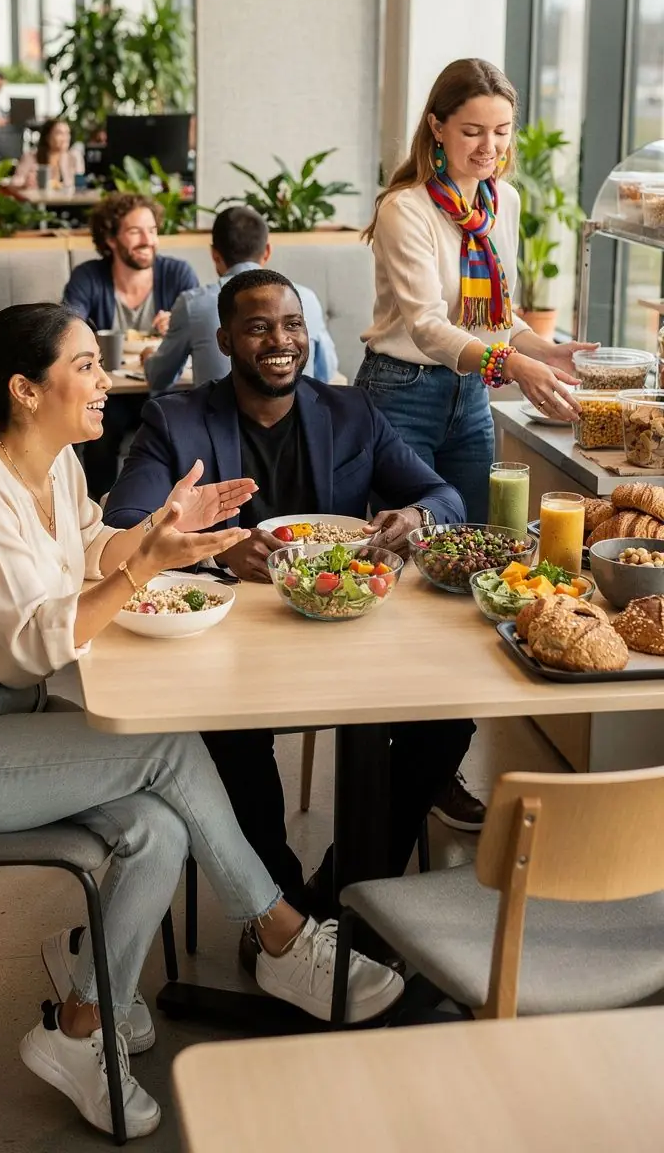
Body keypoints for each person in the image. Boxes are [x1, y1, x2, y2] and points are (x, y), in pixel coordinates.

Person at [0, 303, 401, 1139]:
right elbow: (43, 636)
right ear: (23, 389)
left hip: (9, 721)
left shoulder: (56, 469)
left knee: (160, 828)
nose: (104, 379)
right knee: (164, 749)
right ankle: (280, 935)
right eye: (84, 365)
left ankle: (84, 1020)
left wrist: (162, 528)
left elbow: (92, 553)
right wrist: (146, 563)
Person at [104, 268, 474, 929]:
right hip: (229, 647)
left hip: (340, 631)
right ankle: (281, 910)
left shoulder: (351, 411)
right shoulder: (176, 418)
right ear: (224, 339)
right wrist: (214, 542)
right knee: (232, 737)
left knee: (447, 721)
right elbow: (125, 522)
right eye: (258, 327)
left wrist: (413, 518)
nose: (280, 340)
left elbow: (444, 496)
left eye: (292, 324)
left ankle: (341, 891)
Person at [355, 57, 594, 833]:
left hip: (467, 400)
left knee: (477, 573)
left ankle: (433, 762)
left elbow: (498, 317)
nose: (490, 148)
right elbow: (426, 325)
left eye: (501, 132)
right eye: (472, 132)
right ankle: (383, 757)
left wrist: (547, 351)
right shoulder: (406, 209)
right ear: (436, 128)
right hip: (402, 395)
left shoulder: (504, 202)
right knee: (398, 574)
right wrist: (512, 362)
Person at [62, 193, 199, 499]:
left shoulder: (178, 274)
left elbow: (200, 330)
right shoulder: (89, 277)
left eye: (152, 230)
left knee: (179, 423)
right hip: (110, 389)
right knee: (99, 426)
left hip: (167, 385)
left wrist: (177, 326)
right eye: (135, 231)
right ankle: (98, 513)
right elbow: (68, 326)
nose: (147, 240)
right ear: (111, 238)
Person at [142, 206, 339, 393]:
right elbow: (325, 373)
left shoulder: (193, 304)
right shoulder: (306, 298)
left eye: (293, 324)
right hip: (299, 423)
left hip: (218, 425)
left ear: (215, 255)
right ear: (267, 251)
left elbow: (159, 378)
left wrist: (149, 357)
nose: (279, 340)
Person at [12, 117, 85, 193]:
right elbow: (15, 181)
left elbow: (79, 185)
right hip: (38, 201)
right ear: (47, 136)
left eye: (67, 133)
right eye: (59, 133)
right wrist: (25, 182)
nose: (65, 138)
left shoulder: (74, 157)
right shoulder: (30, 156)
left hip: (67, 202)